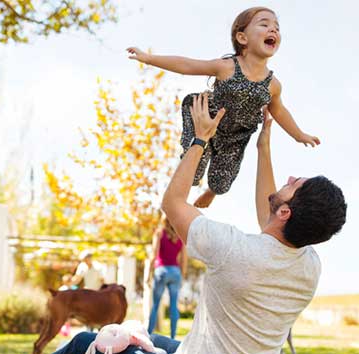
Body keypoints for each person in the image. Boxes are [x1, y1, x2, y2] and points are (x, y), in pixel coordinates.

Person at [0, 93, 346, 354]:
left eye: (297, 184)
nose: (293, 177)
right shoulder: (308, 265)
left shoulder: (234, 250)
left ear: (286, 213)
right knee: (147, 336)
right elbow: (270, 219)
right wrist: (263, 145)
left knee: (86, 344)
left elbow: (172, 203)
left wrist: (200, 139)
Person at [127, 7, 320, 208]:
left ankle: (211, 192)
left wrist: (298, 134)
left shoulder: (273, 85)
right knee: (193, 172)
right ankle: (189, 171)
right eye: (264, 24)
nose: (273, 30)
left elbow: (279, 110)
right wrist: (148, 58)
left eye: (277, 27)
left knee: (222, 184)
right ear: (242, 38)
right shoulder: (227, 66)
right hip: (207, 119)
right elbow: (188, 66)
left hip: (236, 137)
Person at [147, 217, 187, 339]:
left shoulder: (159, 233)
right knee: (174, 305)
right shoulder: (180, 236)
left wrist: (149, 274)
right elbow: (184, 260)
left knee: (155, 305)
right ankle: (173, 337)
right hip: (175, 272)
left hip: (162, 270)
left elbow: (154, 254)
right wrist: (182, 276)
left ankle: (148, 335)